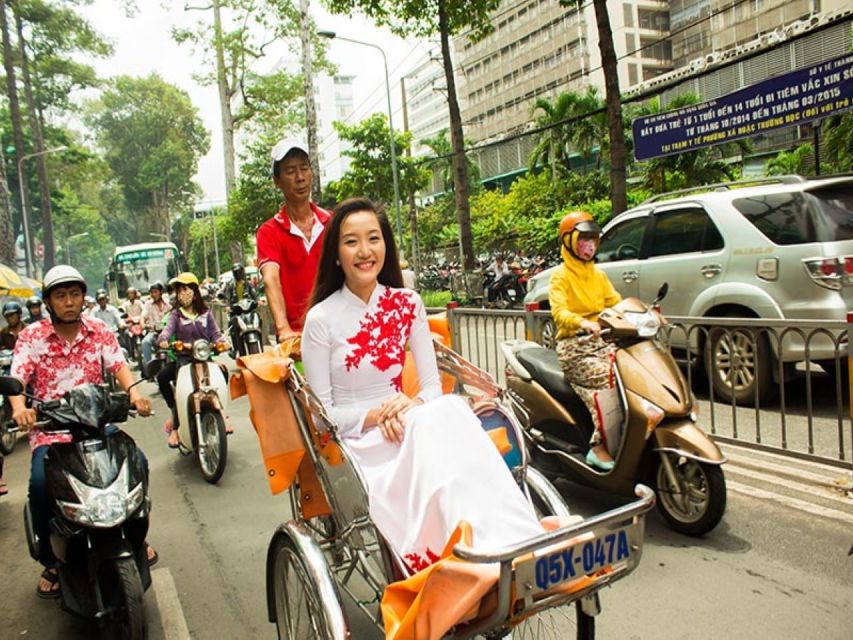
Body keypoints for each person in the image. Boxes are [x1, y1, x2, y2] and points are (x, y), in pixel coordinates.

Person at [302, 197, 542, 574]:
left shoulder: (407, 303)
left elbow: (431, 388)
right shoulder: (320, 320)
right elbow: (322, 417)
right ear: (335, 254)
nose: (364, 251)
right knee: (438, 420)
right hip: (361, 442)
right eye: (351, 242)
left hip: (409, 421)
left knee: (448, 408)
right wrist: (376, 414)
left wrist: (408, 406)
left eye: (373, 239)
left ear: (386, 246)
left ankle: (509, 543)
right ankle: (456, 562)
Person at [8, 265, 156, 599]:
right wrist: (20, 409)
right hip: (52, 432)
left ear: (83, 297)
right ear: (48, 301)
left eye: (74, 294)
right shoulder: (31, 337)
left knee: (139, 463)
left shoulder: (100, 330)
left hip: (97, 426)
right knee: (40, 484)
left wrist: (135, 394)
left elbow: (119, 365)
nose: (69, 302)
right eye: (61, 296)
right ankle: (50, 559)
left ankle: (135, 536)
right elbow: (17, 379)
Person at [549, 211, 622, 471]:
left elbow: (616, 303)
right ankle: (598, 446)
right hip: (575, 347)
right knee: (607, 381)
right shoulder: (560, 276)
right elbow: (560, 312)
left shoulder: (598, 275)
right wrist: (583, 322)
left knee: (632, 375)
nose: (589, 244)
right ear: (569, 241)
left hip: (603, 342)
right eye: (583, 238)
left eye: (593, 238)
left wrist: (640, 314)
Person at [256, 138, 332, 342]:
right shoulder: (269, 232)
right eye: (290, 171)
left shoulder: (333, 223)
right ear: (277, 181)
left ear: (312, 173)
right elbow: (271, 279)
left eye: (304, 168)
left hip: (340, 329)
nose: (299, 177)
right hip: (300, 336)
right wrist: (284, 329)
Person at [156, 272, 230, 447]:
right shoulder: (175, 315)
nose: (183, 293)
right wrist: (164, 341)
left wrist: (223, 343)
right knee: (163, 378)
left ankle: (223, 415)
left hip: (205, 358)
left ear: (195, 291)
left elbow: (215, 334)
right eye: (179, 290)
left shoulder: (206, 313)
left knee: (223, 372)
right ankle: (176, 422)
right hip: (184, 361)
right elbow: (166, 332)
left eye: (186, 289)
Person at [141, 281, 169, 367]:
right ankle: (149, 368)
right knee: (145, 342)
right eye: (152, 292)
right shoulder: (148, 304)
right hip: (153, 332)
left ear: (161, 292)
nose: (153, 294)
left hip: (167, 333)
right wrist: (143, 325)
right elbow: (143, 317)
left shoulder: (168, 304)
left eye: (155, 292)